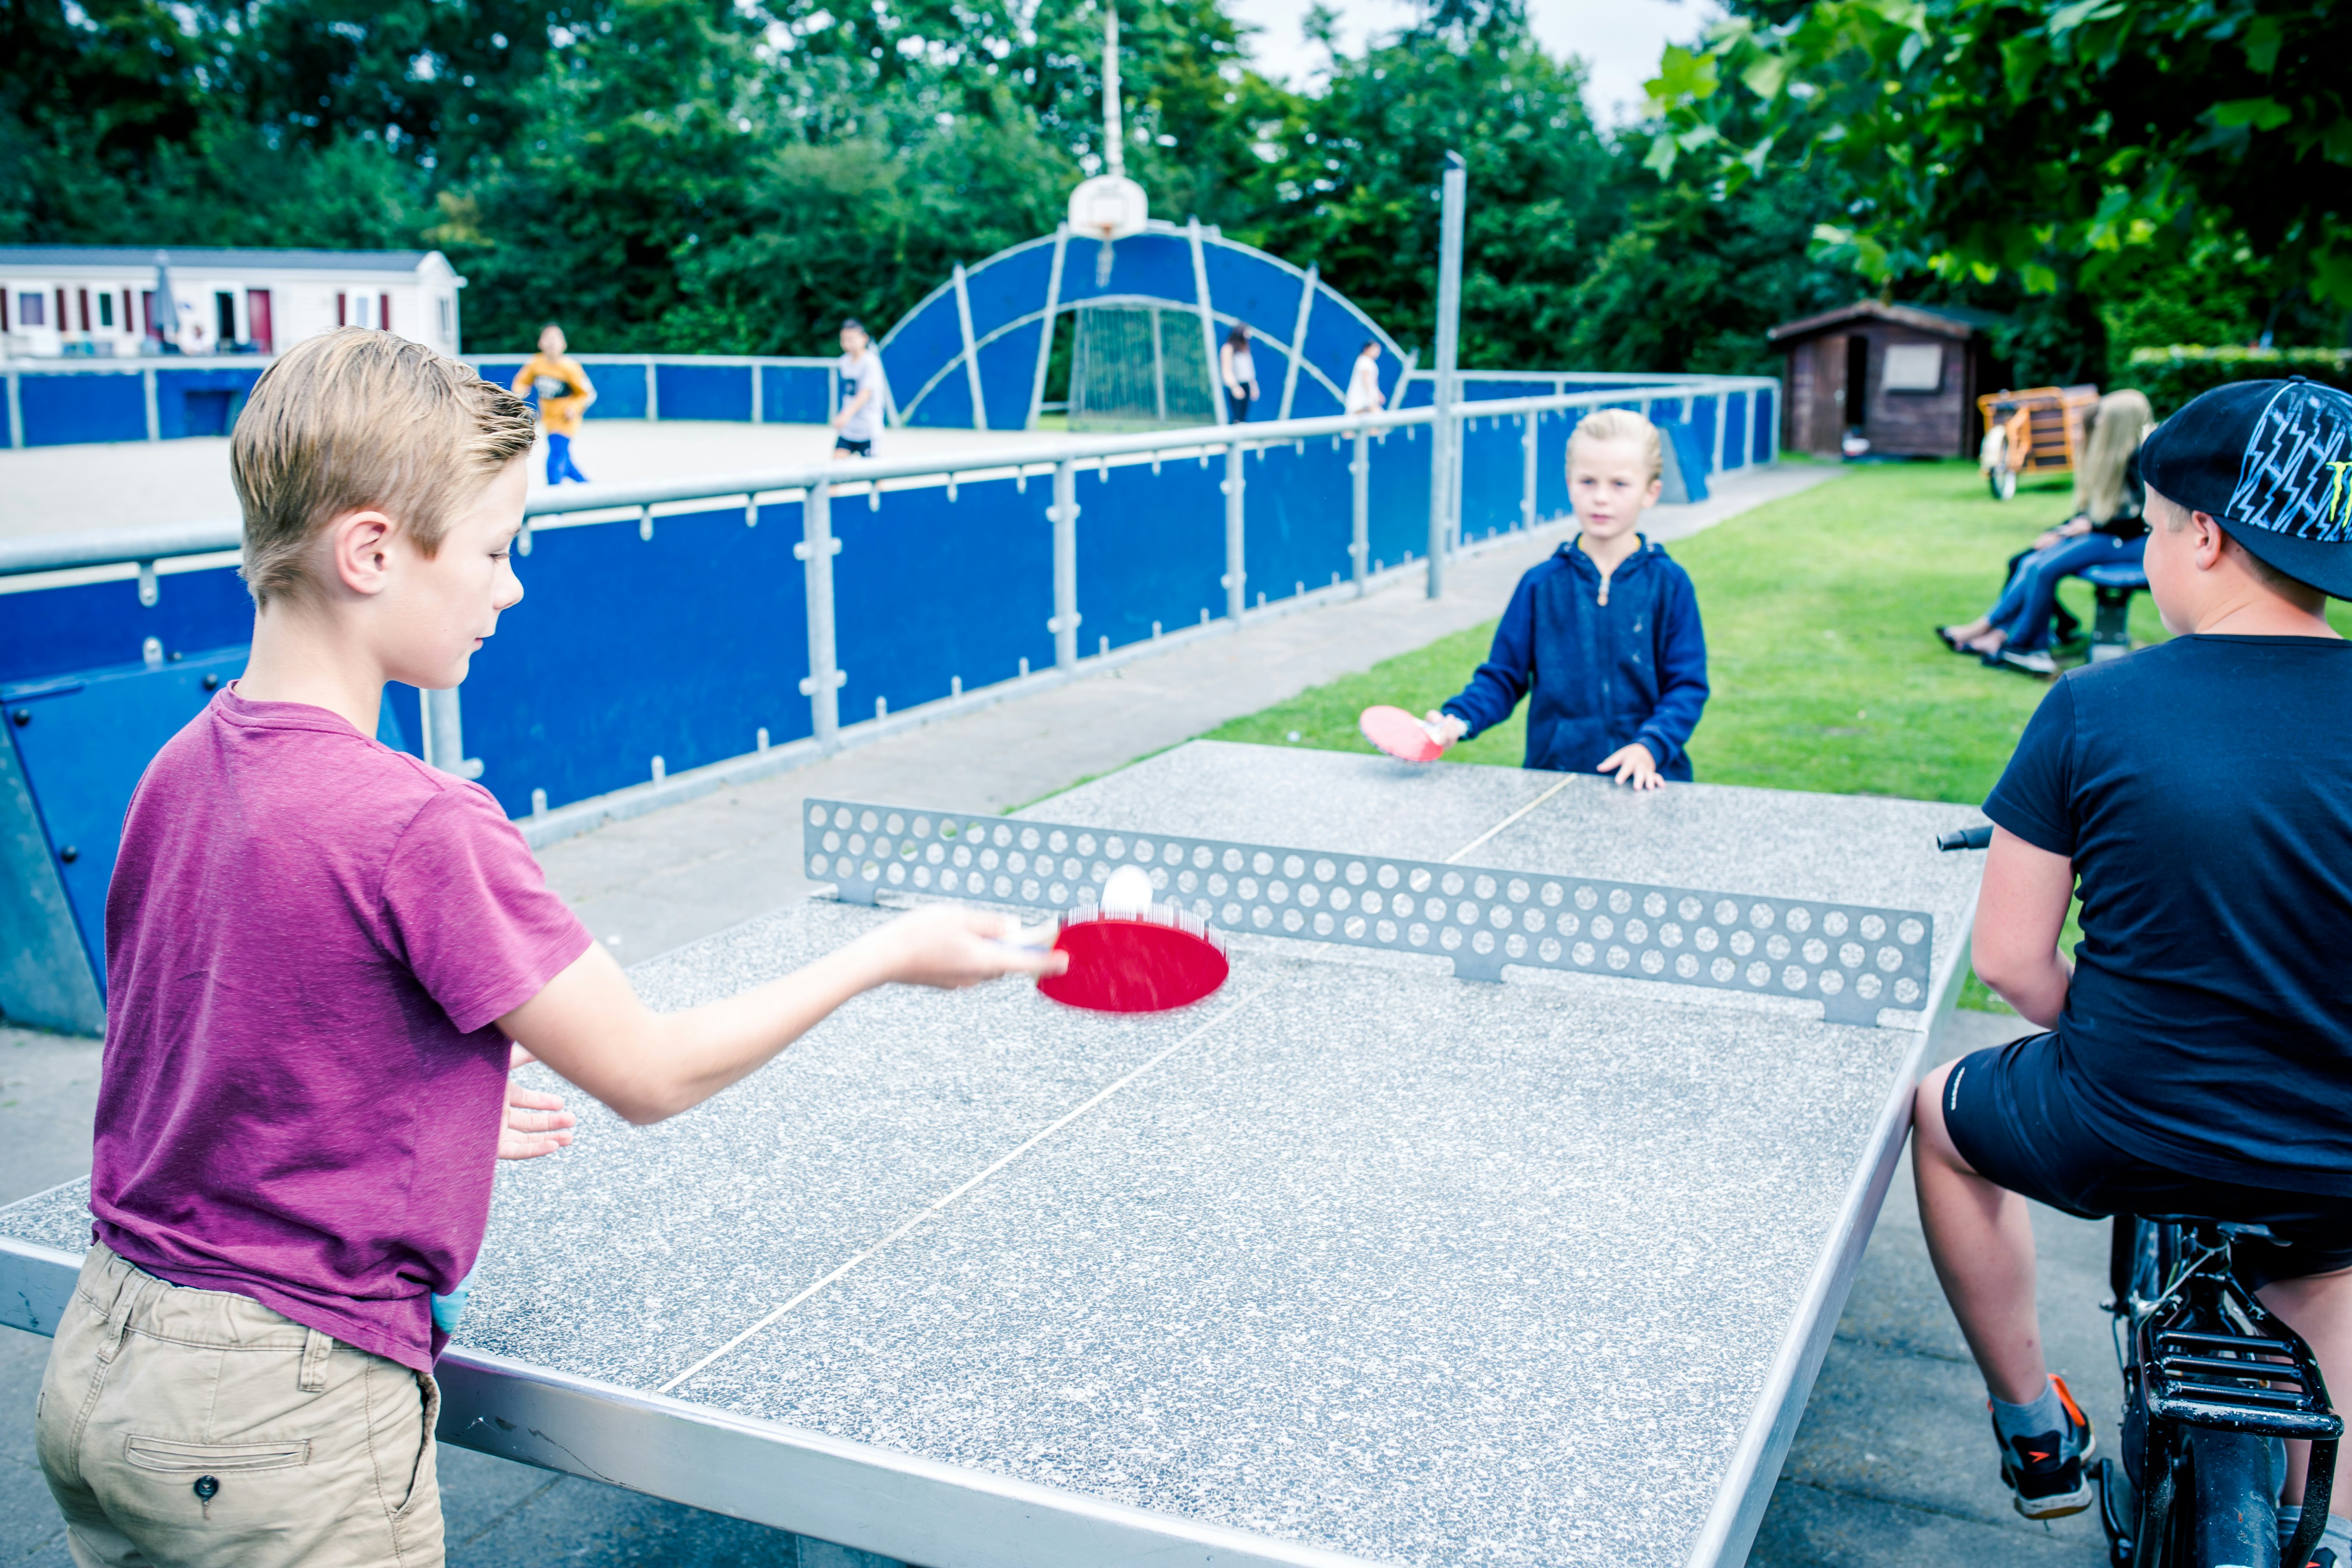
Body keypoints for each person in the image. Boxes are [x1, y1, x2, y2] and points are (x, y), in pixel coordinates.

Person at [33, 327, 1062, 1568]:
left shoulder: (179, 770)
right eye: (491, 550)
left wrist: (416, 1095)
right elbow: (650, 1073)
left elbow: (217, 1036)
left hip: (107, 1364)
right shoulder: (419, 822)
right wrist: (886, 951)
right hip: (280, 1422)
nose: (510, 586)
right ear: (369, 552)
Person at [1913, 379, 2352, 1557]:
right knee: (2328, 1272)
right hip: (2331, 1147)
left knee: (1939, 1121)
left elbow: (2011, 961)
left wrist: (2110, 1022)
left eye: (2155, 526)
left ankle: (2034, 1431)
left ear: (2205, 534)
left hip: (2123, 1117)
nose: (2151, 551)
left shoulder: (2095, 706)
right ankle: (2337, 1527)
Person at [1419, 408, 1708, 788]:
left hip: (1650, 783)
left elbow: (1687, 687)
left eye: (1620, 484)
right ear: (1569, 484)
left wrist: (1650, 747)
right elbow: (1503, 678)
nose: (1601, 498)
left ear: (1651, 491)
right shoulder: (1540, 585)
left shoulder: (1671, 584)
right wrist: (1458, 718)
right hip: (1555, 782)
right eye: (1588, 481)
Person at [1939, 389, 2153, 674]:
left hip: (2133, 543)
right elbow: (2094, 514)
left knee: (2045, 568)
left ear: (2121, 422)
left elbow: (2146, 519)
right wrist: (2063, 531)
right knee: (2030, 561)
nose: (2098, 423)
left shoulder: (2141, 459)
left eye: (2103, 418)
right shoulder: (2117, 458)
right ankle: (1999, 633)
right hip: (2110, 536)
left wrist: (2089, 527)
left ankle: (2024, 643)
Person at [509, 323, 596, 485]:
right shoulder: (536, 363)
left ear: (564, 344)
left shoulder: (570, 367)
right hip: (549, 420)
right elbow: (521, 382)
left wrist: (574, 409)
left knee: (555, 459)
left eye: (555, 338)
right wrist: (519, 395)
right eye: (547, 338)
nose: (551, 342)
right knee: (565, 461)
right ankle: (591, 489)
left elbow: (588, 393)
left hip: (566, 420)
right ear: (540, 343)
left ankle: (555, 500)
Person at [831, 318, 886, 458]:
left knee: (874, 474)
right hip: (848, 430)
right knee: (836, 469)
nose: (847, 344)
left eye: (851, 339)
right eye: (844, 340)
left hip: (868, 429)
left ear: (864, 338)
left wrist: (845, 415)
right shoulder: (844, 362)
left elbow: (866, 393)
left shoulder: (871, 362)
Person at [1220, 324, 1257, 425]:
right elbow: (1226, 370)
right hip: (1236, 384)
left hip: (1246, 384)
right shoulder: (1228, 348)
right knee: (1237, 416)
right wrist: (1235, 387)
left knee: (1244, 416)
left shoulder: (1245, 348)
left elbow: (1249, 369)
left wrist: (1253, 386)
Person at [1344, 340, 1385, 416]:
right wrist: (1371, 400)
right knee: (1377, 418)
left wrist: (1378, 394)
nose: (1377, 353)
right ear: (1367, 349)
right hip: (1362, 399)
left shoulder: (1366, 361)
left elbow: (1372, 382)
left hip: (1363, 400)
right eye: (1375, 350)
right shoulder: (1365, 361)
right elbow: (1366, 381)